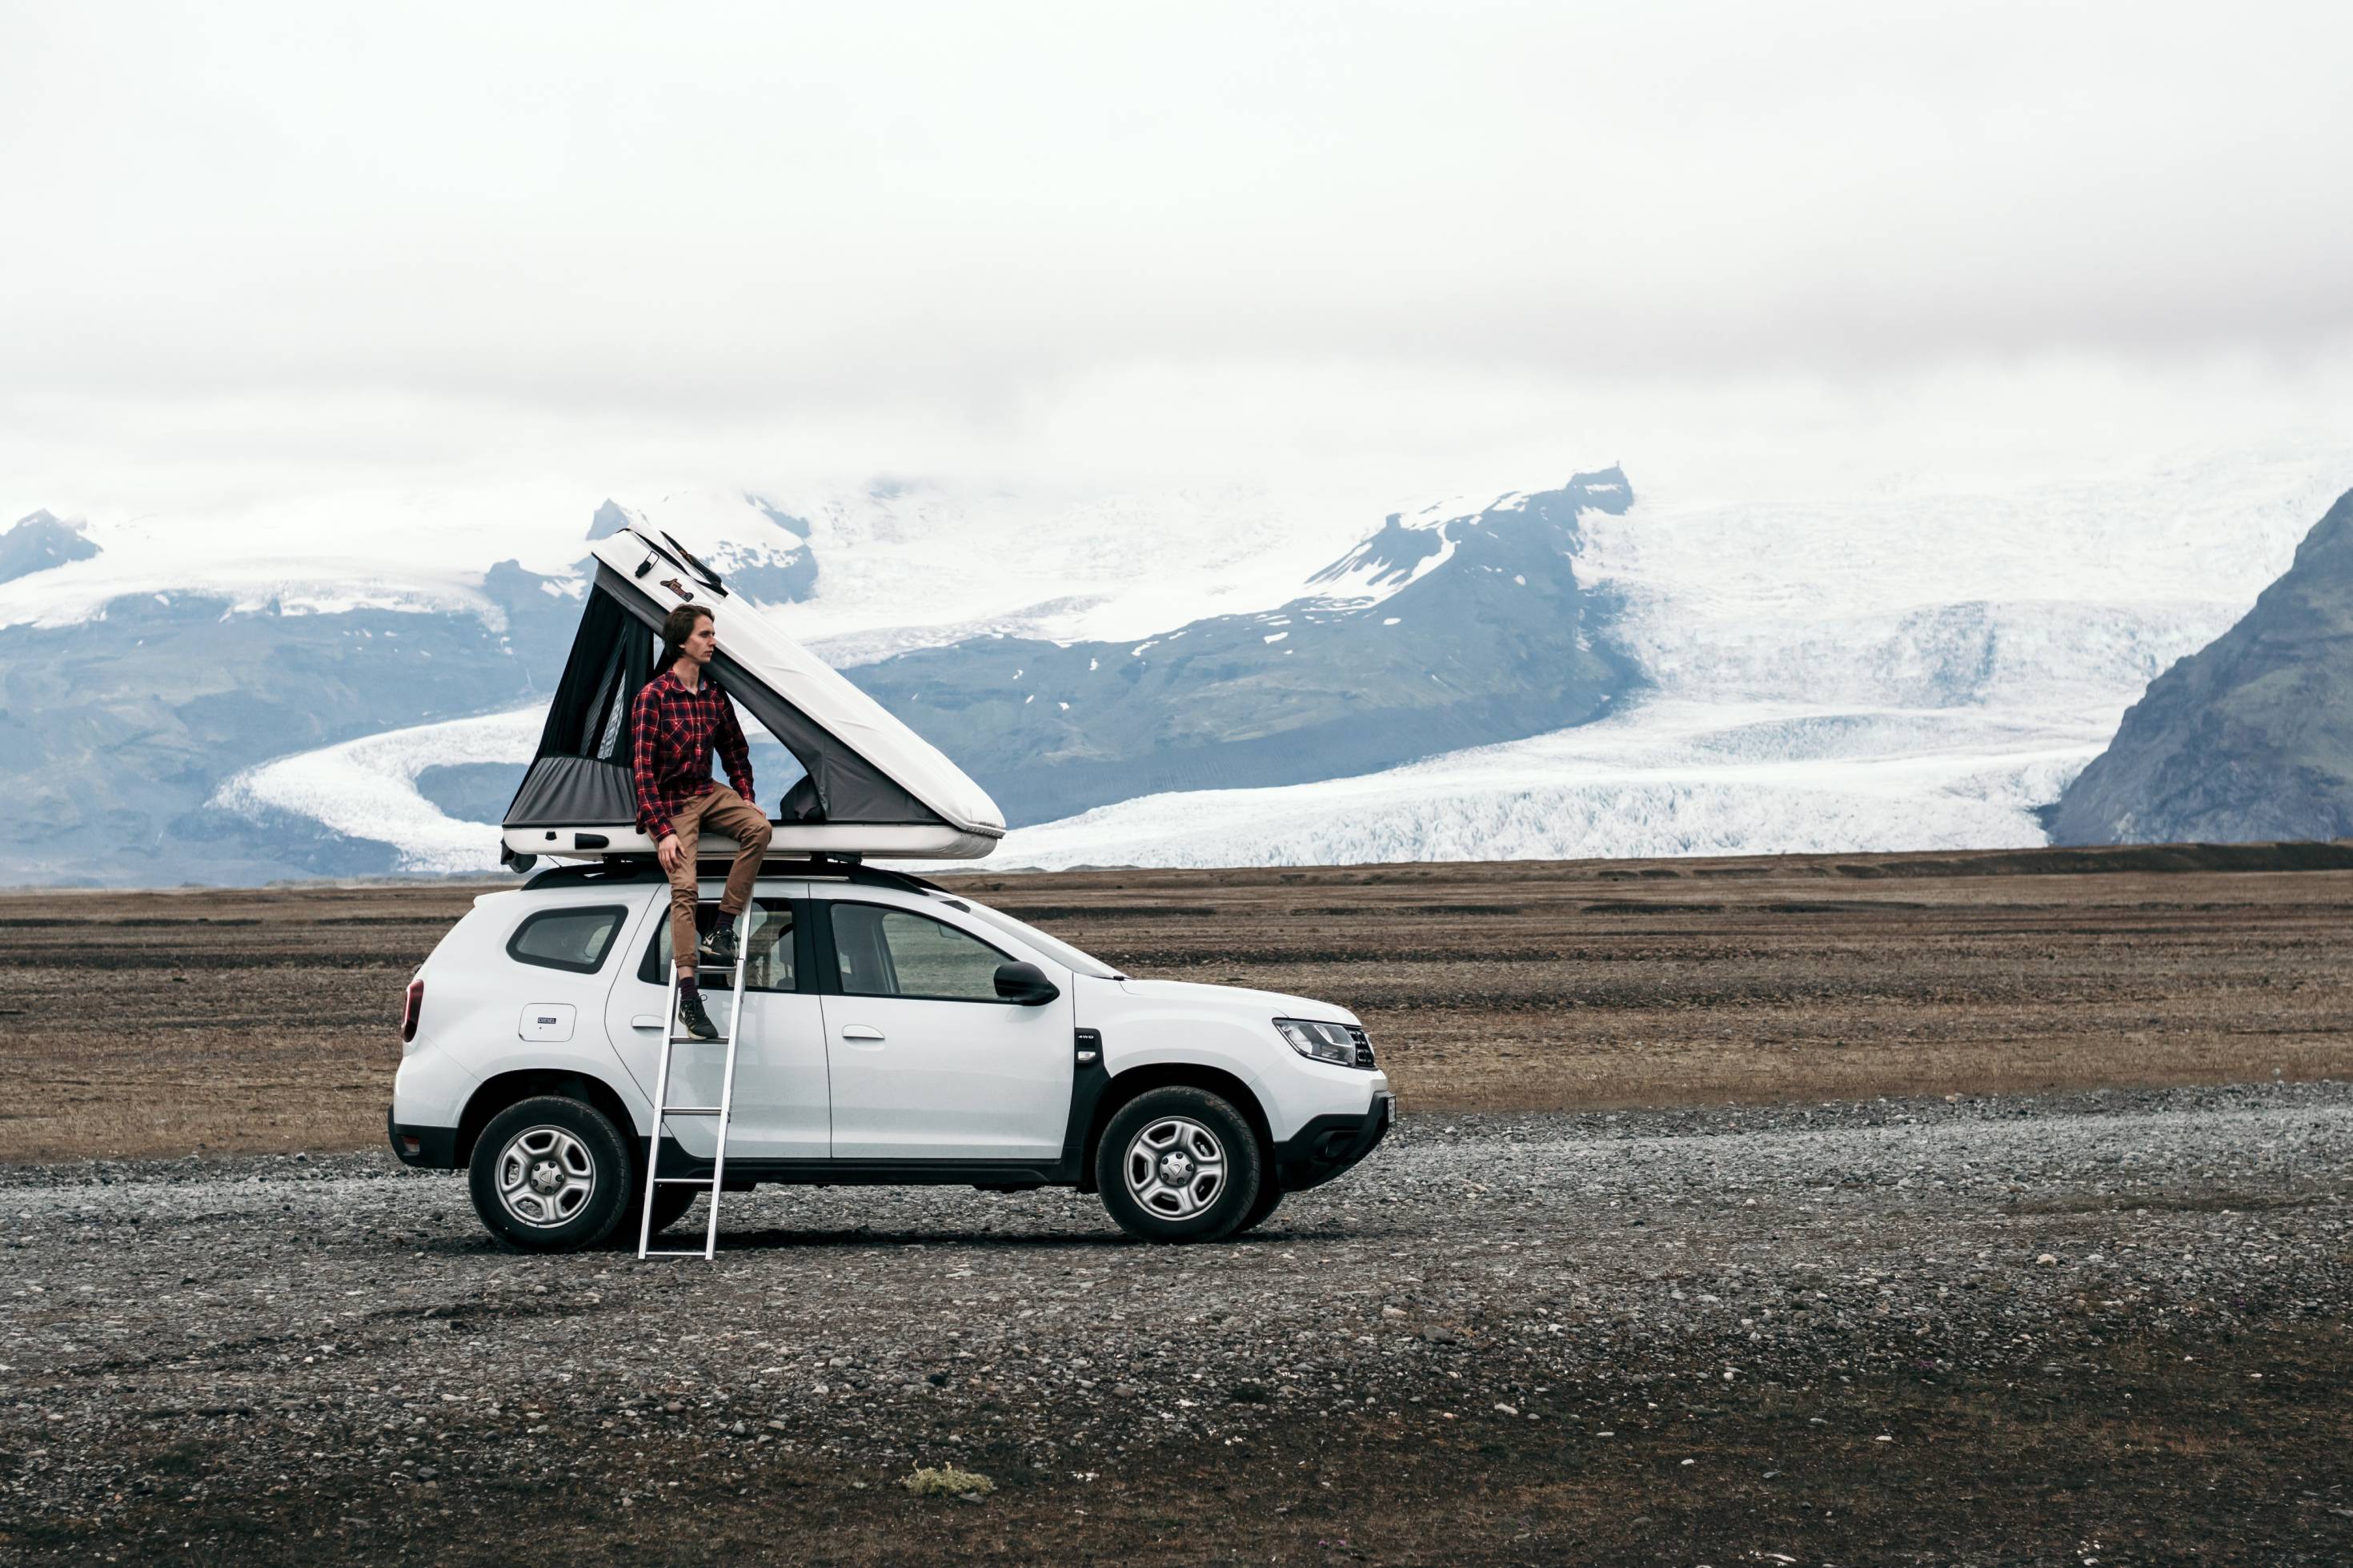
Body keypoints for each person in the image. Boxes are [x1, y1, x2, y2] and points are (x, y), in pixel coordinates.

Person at [631, 603, 774, 1041]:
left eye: (712, 634)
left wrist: (746, 799)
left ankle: (723, 930)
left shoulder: (714, 695)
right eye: (705, 635)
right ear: (681, 643)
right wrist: (663, 831)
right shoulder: (652, 697)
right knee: (685, 887)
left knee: (760, 829)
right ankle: (689, 999)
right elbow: (642, 772)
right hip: (672, 803)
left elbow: (735, 751)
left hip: (708, 792)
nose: (713, 641)